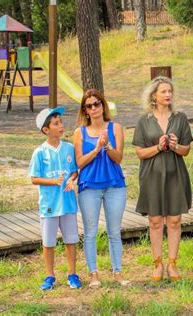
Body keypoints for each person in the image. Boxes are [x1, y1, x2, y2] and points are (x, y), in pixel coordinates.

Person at [132, 76, 193, 282]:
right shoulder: (144, 121)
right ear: (153, 96)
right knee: (155, 221)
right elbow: (140, 153)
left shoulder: (180, 118)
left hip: (175, 173)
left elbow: (186, 151)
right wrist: (158, 147)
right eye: (163, 92)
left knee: (175, 220)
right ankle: (157, 264)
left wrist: (175, 146)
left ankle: (172, 264)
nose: (168, 95)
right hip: (152, 176)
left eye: (170, 91)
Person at [73, 89, 130, 287]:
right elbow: (79, 162)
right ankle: (93, 273)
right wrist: (96, 149)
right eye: (89, 105)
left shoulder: (116, 128)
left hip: (114, 185)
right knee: (90, 232)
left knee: (114, 231)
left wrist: (107, 147)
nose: (94, 108)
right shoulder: (79, 133)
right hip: (89, 186)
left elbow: (118, 158)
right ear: (85, 110)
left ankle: (117, 272)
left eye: (97, 103)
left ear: (103, 105)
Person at [29, 107, 82, 290]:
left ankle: (72, 274)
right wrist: (52, 181)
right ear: (46, 129)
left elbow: (75, 171)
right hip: (49, 205)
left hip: (67, 203)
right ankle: (50, 275)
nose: (61, 126)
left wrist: (72, 179)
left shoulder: (69, 148)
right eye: (56, 123)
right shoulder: (39, 152)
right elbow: (34, 178)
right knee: (49, 241)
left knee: (71, 239)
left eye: (61, 122)